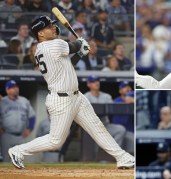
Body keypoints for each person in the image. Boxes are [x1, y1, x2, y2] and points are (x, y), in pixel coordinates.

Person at [8, 15, 134, 169]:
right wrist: (81, 43)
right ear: (40, 33)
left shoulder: (44, 48)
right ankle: (18, 151)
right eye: (49, 27)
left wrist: (80, 54)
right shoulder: (53, 45)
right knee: (55, 141)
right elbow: (74, 46)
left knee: (97, 127)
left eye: (53, 25)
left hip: (76, 97)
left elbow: (68, 64)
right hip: (61, 100)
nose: (54, 27)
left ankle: (122, 157)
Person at [0, 80, 36, 162]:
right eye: (12, 87)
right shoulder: (2, 102)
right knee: (6, 160)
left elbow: (32, 116)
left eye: (16, 87)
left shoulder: (24, 101)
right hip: (6, 135)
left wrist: (30, 128)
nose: (16, 89)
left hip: (20, 136)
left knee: (19, 160)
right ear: (7, 90)